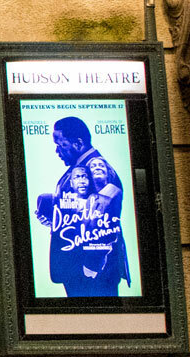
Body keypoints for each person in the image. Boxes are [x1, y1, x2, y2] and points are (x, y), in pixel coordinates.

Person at [33, 115, 131, 297]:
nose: (57, 150)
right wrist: (54, 214)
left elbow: (104, 221)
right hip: (81, 269)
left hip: (91, 272)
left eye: (61, 144)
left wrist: (92, 265)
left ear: (78, 143)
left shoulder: (95, 168)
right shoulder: (82, 167)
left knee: (98, 321)